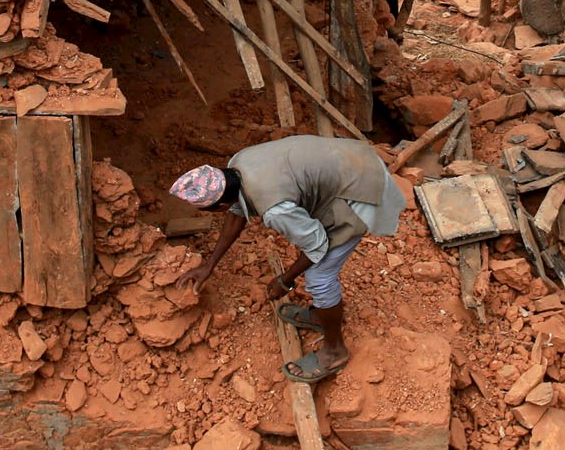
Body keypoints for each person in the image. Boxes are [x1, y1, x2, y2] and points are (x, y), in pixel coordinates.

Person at [172, 135, 406, 383]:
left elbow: (317, 245)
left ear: (218, 205)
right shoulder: (238, 163)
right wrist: (209, 265)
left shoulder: (275, 209)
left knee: (319, 277)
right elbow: (236, 211)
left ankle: (335, 351)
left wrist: (285, 280)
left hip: (361, 187)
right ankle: (320, 315)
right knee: (312, 257)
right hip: (348, 159)